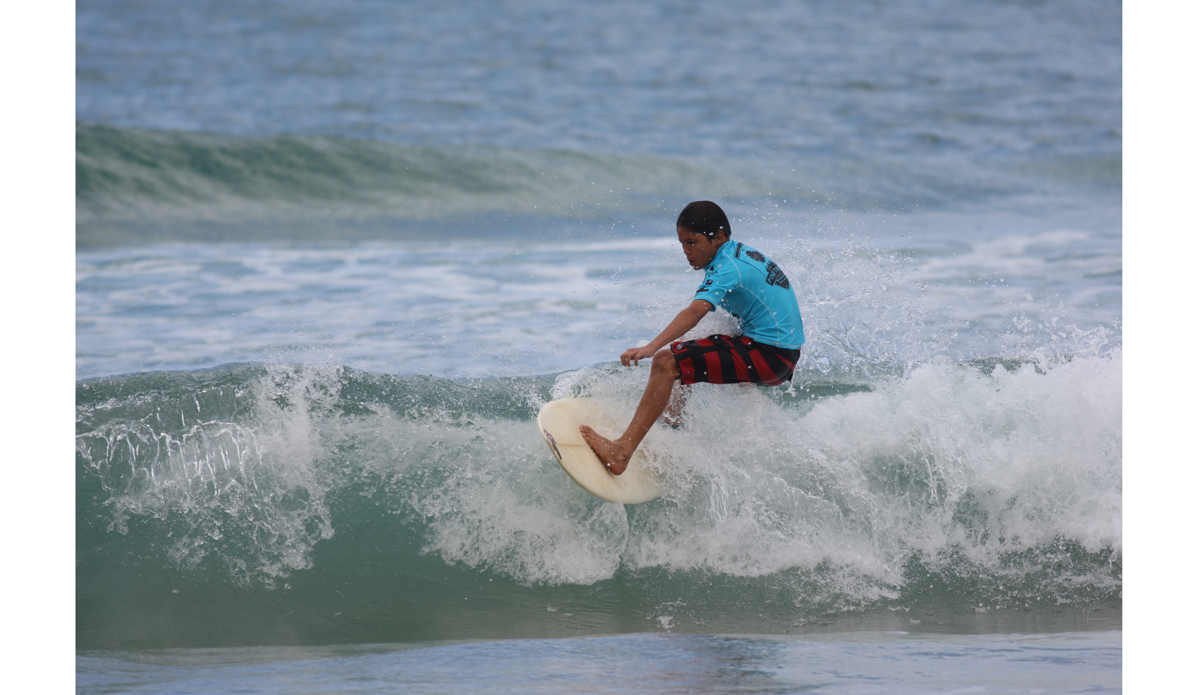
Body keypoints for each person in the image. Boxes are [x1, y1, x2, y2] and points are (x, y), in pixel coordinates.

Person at [580, 200, 805, 474]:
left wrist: (652, 347)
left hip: (768, 357)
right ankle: (671, 430)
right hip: (782, 353)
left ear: (718, 237)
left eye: (693, 242)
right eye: (682, 243)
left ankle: (622, 452)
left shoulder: (726, 268)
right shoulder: (738, 254)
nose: (687, 251)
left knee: (666, 361)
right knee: (690, 347)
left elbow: (694, 313)